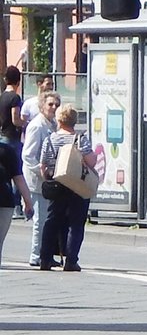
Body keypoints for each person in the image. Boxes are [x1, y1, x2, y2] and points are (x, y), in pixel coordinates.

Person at [38, 103, 96, 272]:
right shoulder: (80, 139)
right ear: (74, 120)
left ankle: (46, 258)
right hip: (77, 185)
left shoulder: (51, 139)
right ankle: (71, 260)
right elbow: (91, 161)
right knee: (76, 223)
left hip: (58, 184)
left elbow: (44, 165)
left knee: (52, 221)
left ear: (58, 119)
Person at [22, 91, 60, 267]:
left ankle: (46, 253)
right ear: (42, 106)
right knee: (40, 220)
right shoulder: (37, 126)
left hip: (49, 181)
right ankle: (35, 255)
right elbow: (28, 156)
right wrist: (41, 171)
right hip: (37, 181)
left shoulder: (52, 124)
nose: (54, 108)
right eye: (50, 104)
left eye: (56, 105)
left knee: (47, 220)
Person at [0, 129, 35, 279]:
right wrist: (28, 203)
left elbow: (18, 178)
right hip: (5, 202)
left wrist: (28, 202)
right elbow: (19, 179)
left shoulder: (7, 150)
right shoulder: (7, 150)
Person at [0, 65, 23, 146]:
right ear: (18, 82)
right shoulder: (15, 97)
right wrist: (25, 123)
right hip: (12, 137)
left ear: (6, 80)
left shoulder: (2, 96)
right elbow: (15, 120)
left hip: (2, 135)